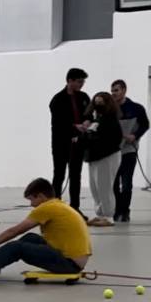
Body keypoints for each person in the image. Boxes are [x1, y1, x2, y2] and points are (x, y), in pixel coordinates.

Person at [0, 178, 92, 281]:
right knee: (30, 238)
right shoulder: (58, 205)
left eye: (32, 200)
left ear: (41, 196)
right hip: (74, 260)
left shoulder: (46, 208)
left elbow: (15, 231)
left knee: (16, 247)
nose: (31, 204)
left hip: (68, 263)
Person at [47, 68, 90, 207]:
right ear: (70, 80)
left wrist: (87, 122)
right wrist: (75, 127)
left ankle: (75, 208)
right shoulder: (57, 99)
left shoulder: (84, 97)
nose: (82, 84)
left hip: (79, 143)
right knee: (59, 175)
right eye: (79, 81)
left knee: (76, 176)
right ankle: (55, 206)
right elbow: (58, 123)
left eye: (83, 82)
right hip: (61, 143)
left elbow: (90, 114)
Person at [111, 79, 150, 223]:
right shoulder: (109, 109)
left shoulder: (136, 108)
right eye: (112, 90)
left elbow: (145, 125)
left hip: (129, 151)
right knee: (114, 184)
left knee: (126, 184)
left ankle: (125, 211)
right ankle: (116, 210)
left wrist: (135, 135)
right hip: (112, 152)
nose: (114, 93)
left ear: (124, 90)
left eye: (116, 90)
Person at [83, 92, 124, 227]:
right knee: (95, 187)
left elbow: (111, 139)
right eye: (96, 102)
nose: (98, 105)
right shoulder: (97, 119)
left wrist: (90, 137)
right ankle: (100, 214)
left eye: (101, 102)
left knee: (104, 187)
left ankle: (108, 216)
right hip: (94, 157)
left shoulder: (111, 120)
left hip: (107, 157)